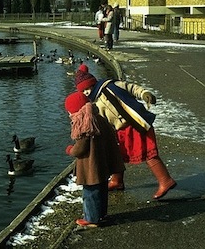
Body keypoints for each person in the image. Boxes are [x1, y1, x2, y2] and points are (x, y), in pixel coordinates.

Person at [74, 64, 177, 199]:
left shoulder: (111, 86)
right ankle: (117, 181)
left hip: (135, 123)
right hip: (120, 130)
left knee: (147, 152)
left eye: (88, 88)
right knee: (118, 154)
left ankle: (165, 180)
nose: (87, 92)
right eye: (84, 91)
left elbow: (130, 88)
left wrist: (144, 93)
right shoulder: (94, 102)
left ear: (93, 83)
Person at [64, 92, 125, 227]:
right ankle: (101, 214)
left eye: (70, 112)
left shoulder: (84, 123)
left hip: (91, 166)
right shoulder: (99, 117)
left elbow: (80, 149)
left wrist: (70, 150)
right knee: (101, 191)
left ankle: (91, 219)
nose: (69, 115)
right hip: (102, 162)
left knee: (90, 193)